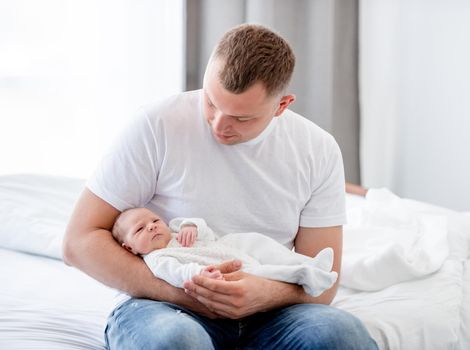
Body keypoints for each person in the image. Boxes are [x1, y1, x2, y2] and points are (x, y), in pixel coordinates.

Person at [63, 23, 378, 349]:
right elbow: (78, 242)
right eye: (212, 102)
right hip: (165, 305)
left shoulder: (318, 149)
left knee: (342, 335)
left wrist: (264, 294)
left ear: (282, 105)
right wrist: (190, 294)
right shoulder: (156, 125)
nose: (218, 125)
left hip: (273, 313)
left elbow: (323, 280)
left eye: (242, 119)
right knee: (174, 340)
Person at [111, 207, 338, 297]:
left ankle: (309, 262)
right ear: (129, 248)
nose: (151, 226)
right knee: (263, 272)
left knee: (260, 243)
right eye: (140, 229)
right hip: (228, 269)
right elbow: (179, 274)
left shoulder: (175, 232)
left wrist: (191, 226)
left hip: (229, 247)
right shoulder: (156, 259)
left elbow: (206, 233)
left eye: (154, 220)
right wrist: (202, 274)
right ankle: (305, 275)